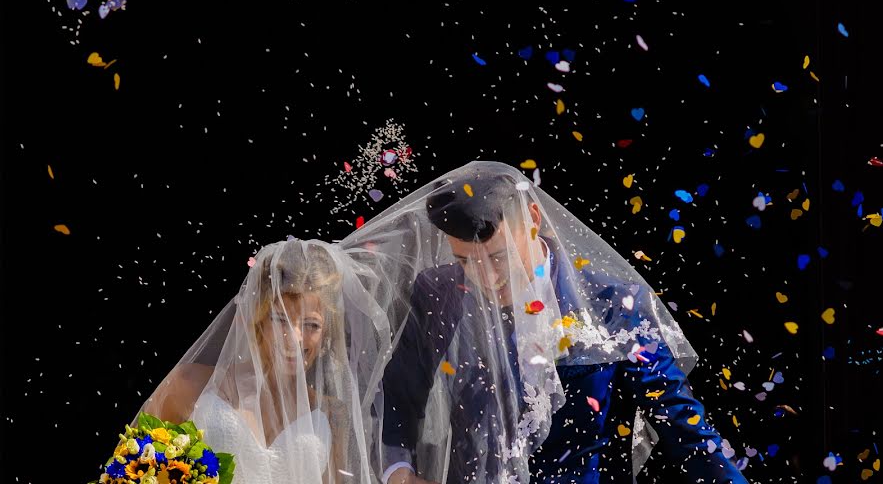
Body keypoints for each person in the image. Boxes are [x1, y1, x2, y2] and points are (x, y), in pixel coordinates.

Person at [340, 161, 749, 484]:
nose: (487, 278)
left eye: (498, 258)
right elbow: (395, 398)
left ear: (533, 217)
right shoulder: (438, 294)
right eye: (466, 263)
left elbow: (682, 424)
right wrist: (400, 474)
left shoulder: (612, 303)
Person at [138, 239, 392, 484]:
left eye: (311, 324)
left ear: (326, 333)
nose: (294, 337)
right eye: (280, 319)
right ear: (258, 319)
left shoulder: (333, 415)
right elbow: (135, 469)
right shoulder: (188, 385)